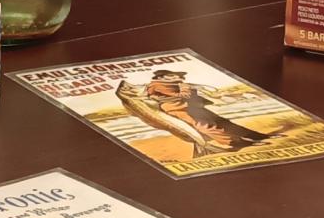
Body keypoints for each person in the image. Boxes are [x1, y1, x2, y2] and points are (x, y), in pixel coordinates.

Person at [112, 68, 271, 158]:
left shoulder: (170, 84)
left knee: (221, 122)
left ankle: (253, 137)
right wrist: (185, 88)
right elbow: (181, 96)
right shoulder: (157, 84)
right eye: (174, 75)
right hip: (176, 109)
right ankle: (236, 143)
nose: (178, 77)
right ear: (162, 76)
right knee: (204, 127)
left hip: (188, 107)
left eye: (178, 76)